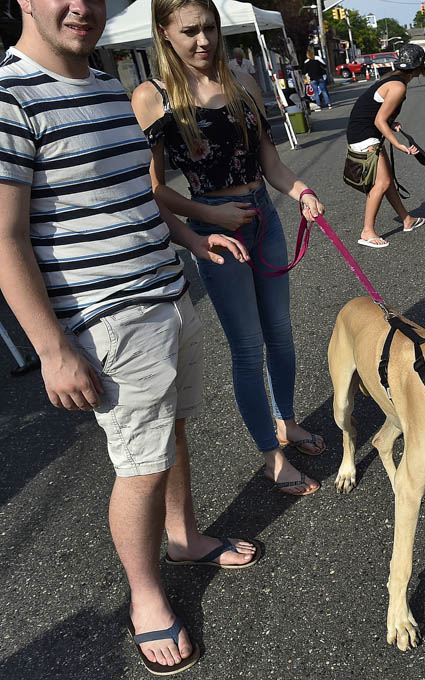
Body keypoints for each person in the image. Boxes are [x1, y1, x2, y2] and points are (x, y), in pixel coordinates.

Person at [0, 0, 261, 674]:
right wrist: (54, 351)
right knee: (139, 467)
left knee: (171, 434)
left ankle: (183, 538)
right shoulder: (11, 97)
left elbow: (138, 197)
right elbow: (4, 238)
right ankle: (146, 601)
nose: (79, 6)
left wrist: (193, 238)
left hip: (169, 293)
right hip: (110, 319)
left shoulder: (109, 85)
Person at [132, 0, 327, 497]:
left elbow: (272, 165)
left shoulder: (243, 87)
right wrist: (211, 216)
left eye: (210, 28)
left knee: (281, 334)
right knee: (247, 348)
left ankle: (286, 420)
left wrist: (302, 192)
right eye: (190, 30)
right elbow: (153, 188)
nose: (203, 40)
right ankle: (271, 456)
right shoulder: (153, 97)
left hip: (264, 217)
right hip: (217, 231)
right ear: (165, 33)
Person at [345, 43, 425, 248]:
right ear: (419, 67)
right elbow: (379, 120)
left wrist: (391, 122)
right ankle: (367, 232)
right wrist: (398, 144)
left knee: (387, 180)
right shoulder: (398, 86)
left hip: (364, 132)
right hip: (365, 136)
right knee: (380, 183)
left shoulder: (392, 79)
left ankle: (407, 219)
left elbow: (375, 112)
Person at [302, 45, 331, 110]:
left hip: (313, 79)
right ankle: (329, 104)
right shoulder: (317, 61)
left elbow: (305, 71)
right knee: (324, 91)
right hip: (320, 77)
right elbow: (324, 65)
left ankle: (319, 105)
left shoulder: (307, 63)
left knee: (316, 92)